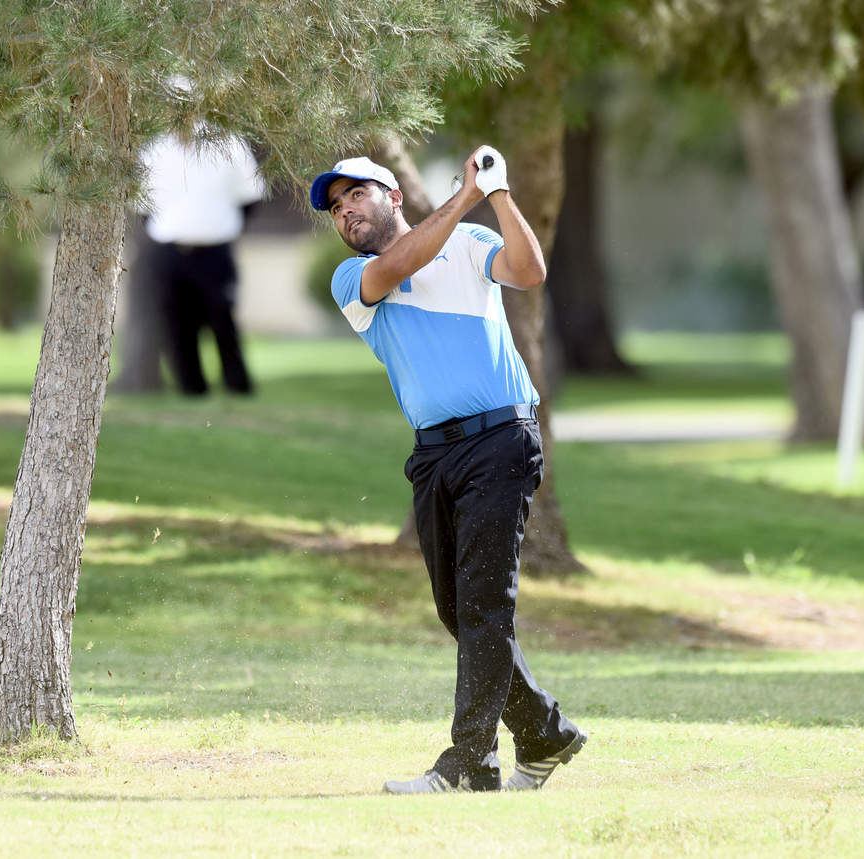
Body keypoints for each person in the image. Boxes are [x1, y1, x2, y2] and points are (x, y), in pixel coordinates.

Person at [309, 147, 586, 793]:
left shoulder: (468, 241)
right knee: (458, 611)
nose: (345, 210)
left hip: (501, 439)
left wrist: (498, 193)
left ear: (392, 197)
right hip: (433, 454)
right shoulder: (353, 279)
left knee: (484, 605)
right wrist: (463, 195)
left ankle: (470, 761)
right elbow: (400, 265)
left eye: (356, 194)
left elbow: (528, 270)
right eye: (336, 205)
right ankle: (544, 732)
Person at [136, 129, 265, 395]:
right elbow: (141, 204)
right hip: (168, 250)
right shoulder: (155, 146)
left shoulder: (230, 142)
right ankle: (191, 388)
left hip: (215, 249)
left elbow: (251, 195)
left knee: (222, 317)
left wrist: (222, 227)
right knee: (176, 323)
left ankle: (237, 385)